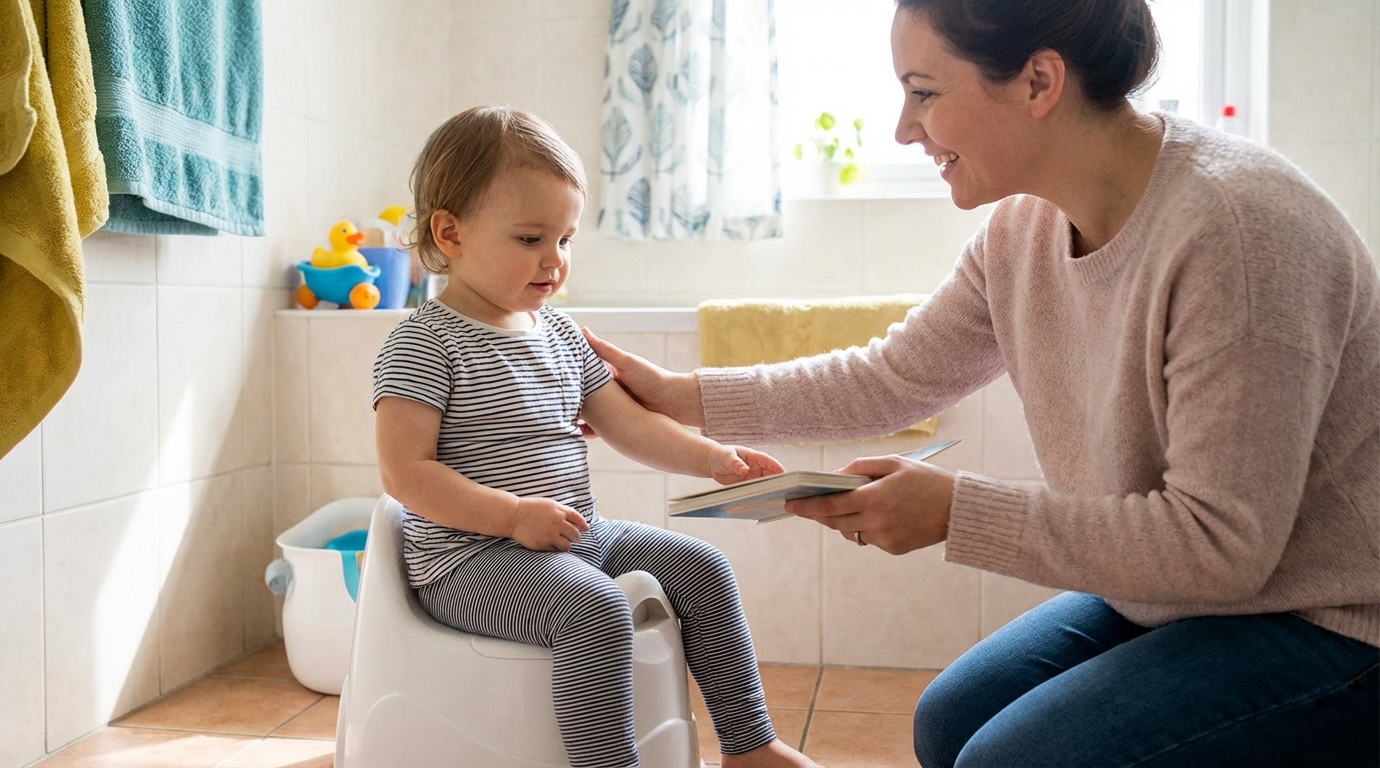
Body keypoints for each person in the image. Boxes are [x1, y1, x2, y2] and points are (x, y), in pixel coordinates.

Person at [581, 0, 1380, 765]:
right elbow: (891, 378)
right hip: (1180, 599)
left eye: (923, 93)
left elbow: (1219, 547)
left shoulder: (1239, 234)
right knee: (948, 720)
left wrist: (956, 513)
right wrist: (680, 393)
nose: (903, 130)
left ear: (1039, 81)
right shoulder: (1021, 231)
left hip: (1327, 617)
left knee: (1011, 758)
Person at [371, 105, 819, 768]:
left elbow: (630, 423)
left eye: (566, 239)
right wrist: (512, 516)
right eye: (531, 239)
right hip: (468, 558)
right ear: (451, 233)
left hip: (573, 535)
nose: (555, 260)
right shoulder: (423, 344)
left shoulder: (559, 333)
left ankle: (750, 744)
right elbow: (405, 474)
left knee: (704, 568)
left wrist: (715, 459)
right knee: (596, 610)